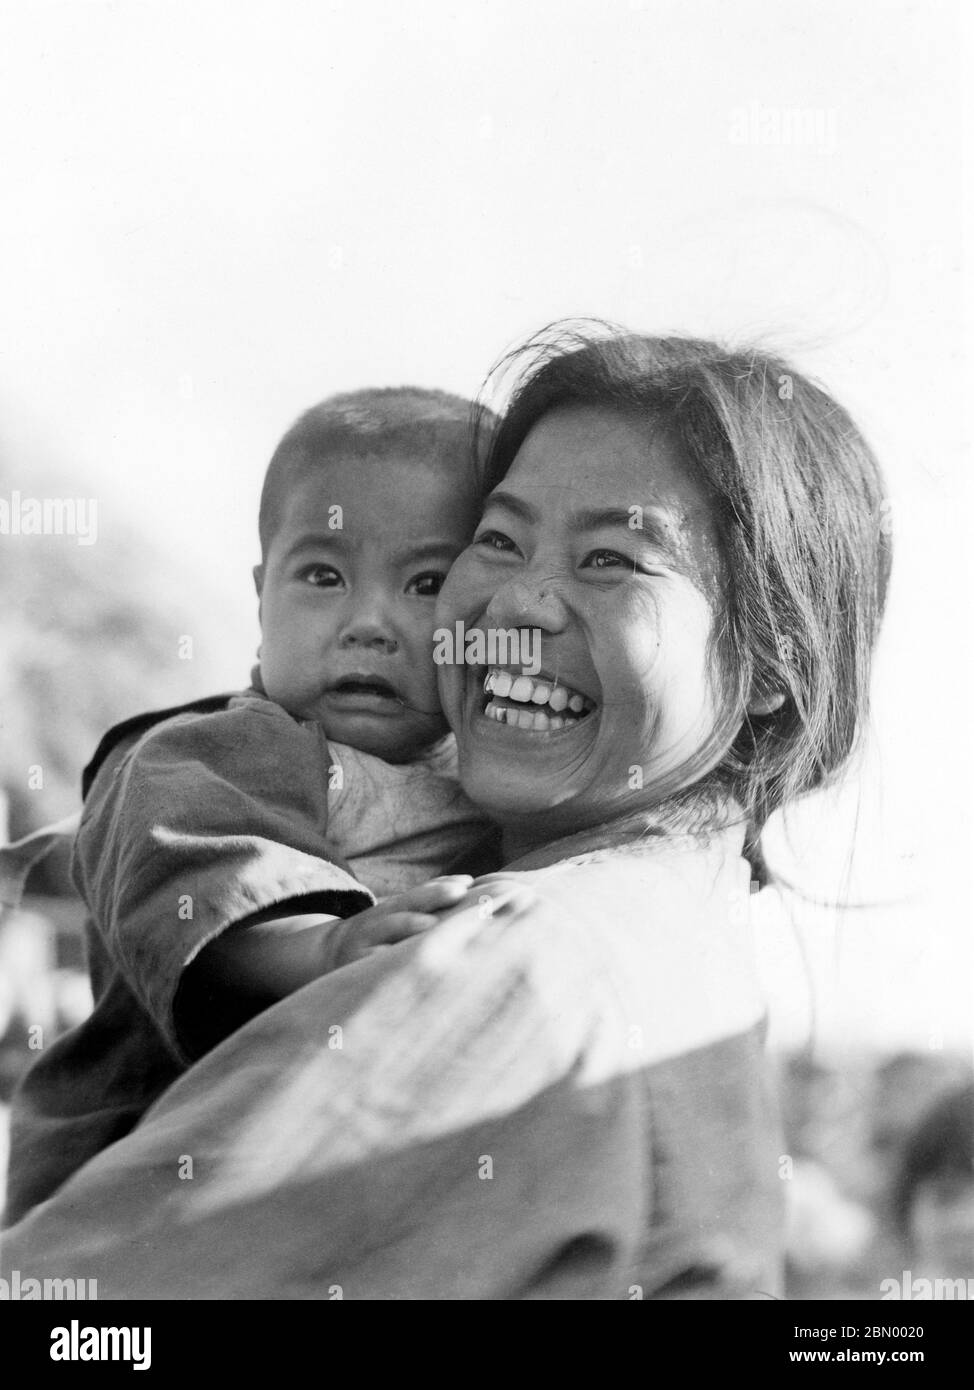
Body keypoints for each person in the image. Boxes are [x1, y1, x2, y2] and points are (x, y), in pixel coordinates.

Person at [0, 323, 891, 1299]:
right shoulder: (671, 949)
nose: (516, 604)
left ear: (773, 667)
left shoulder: (521, 962)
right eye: (498, 540)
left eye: (610, 559)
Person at [2, 386, 495, 1225]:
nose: (368, 623)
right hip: (131, 1192)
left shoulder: (479, 770)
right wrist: (332, 944)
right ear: (262, 598)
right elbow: (210, 891)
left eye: (425, 583)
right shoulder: (211, 752)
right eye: (324, 575)